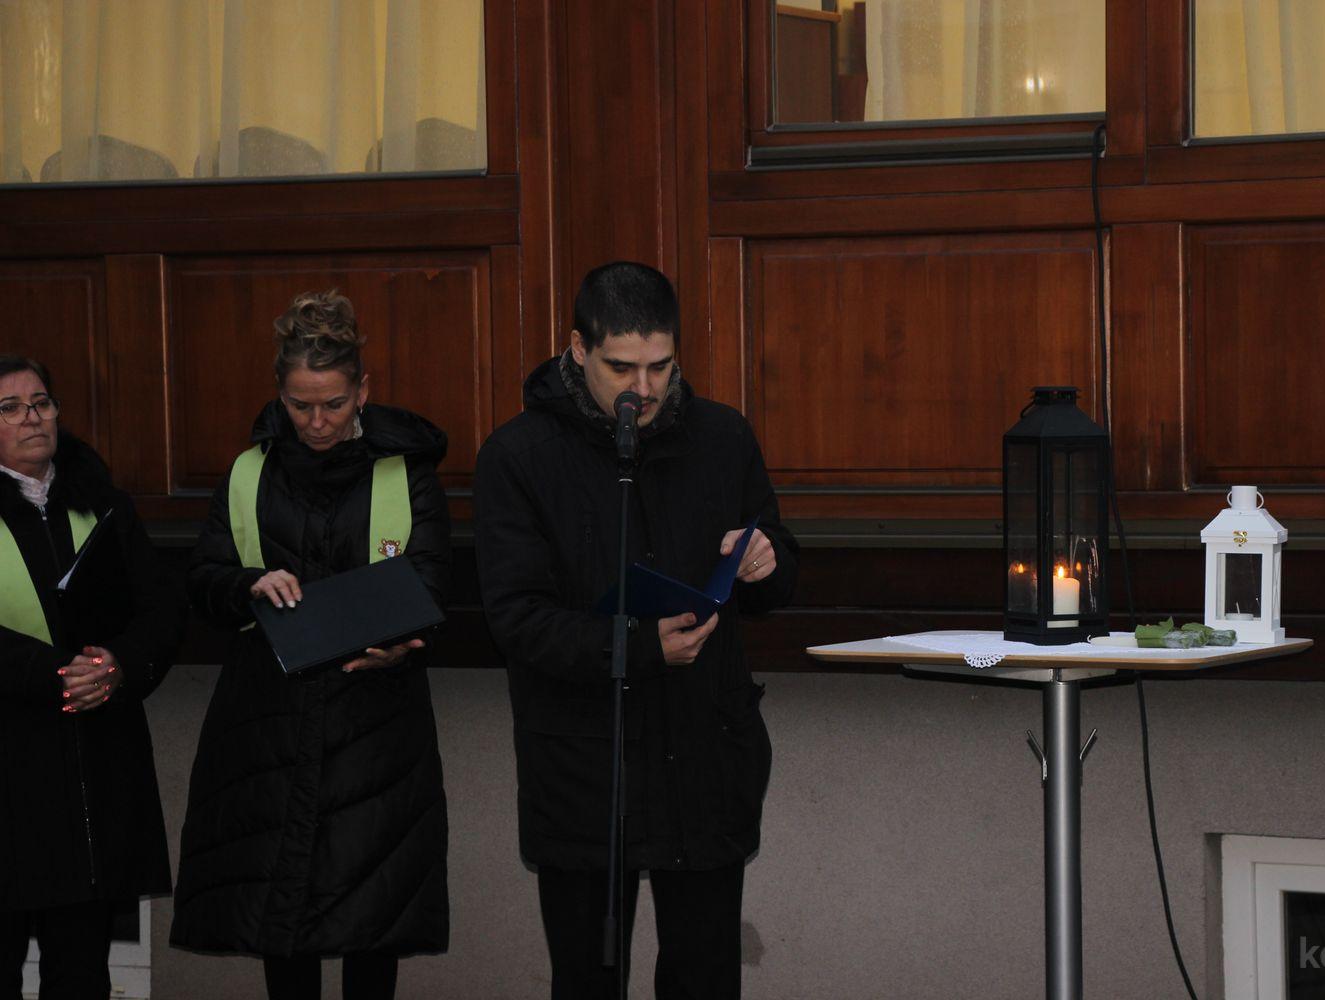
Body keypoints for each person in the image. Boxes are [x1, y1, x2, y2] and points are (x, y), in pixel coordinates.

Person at [475, 261, 798, 999]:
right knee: (588, 979)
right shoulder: (519, 456)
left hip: (704, 755)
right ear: (578, 348)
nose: (643, 389)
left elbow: (777, 575)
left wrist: (764, 560)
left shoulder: (722, 436)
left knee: (705, 979)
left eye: (661, 366)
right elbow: (516, 618)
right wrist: (637, 647)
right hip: (585, 768)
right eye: (621, 367)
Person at [170, 291, 451, 1000]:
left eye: (333, 404)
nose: (317, 421)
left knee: (373, 912)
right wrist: (250, 585)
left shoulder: (406, 471)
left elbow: (431, 580)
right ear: (280, 395)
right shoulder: (248, 472)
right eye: (300, 406)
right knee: (280, 909)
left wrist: (403, 644)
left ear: (364, 391)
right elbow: (203, 578)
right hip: (267, 719)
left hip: (376, 723)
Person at [0, 355, 183, 1000]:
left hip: (92, 773)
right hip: (11, 770)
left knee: (80, 970)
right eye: (10, 408)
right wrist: (55, 673)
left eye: (41, 402)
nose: (32, 417)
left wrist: (118, 665)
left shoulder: (101, 503)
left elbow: (161, 611)